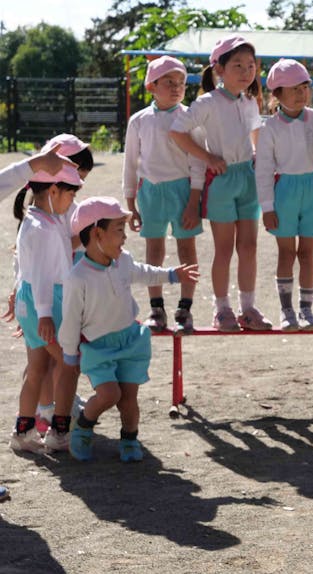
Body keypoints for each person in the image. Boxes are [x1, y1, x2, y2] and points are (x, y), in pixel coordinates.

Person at [61, 197, 199, 462]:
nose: (124, 237)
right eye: (118, 230)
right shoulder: (77, 277)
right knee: (109, 394)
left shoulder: (122, 261)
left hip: (130, 340)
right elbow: (70, 320)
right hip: (98, 347)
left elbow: (143, 272)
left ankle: (129, 437)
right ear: (96, 233)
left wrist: (171, 274)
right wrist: (69, 354)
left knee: (128, 399)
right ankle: (84, 426)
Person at [169, 34, 272, 332]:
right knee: (224, 249)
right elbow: (178, 132)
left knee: (250, 246)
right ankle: (222, 309)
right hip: (222, 182)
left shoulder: (250, 101)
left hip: (248, 179)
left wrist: (263, 163)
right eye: (237, 65)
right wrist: (209, 157)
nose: (245, 71)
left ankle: (248, 308)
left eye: (250, 65)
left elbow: (256, 135)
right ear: (219, 70)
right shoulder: (207, 102)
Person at [123, 56, 203, 336]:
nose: (176, 87)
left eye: (181, 82)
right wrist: (130, 201)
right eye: (168, 82)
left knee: (186, 249)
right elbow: (131, 162)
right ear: (151, 86)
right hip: (151, 191)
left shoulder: (189, 118)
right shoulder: (139, 121)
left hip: (182, 189)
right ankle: (156, 308)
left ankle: (185, 308)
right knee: (154, 250)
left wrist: (194, 200)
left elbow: (197, 161)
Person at [8, 160, 82, 453]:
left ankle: (23, 432)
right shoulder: (42, 226)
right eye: (71, 194)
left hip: (36, 303)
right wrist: (46, 314)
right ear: (54, 190)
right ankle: (59, 431)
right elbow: (39, 274)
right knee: (68, 364)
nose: (72, 201)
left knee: (37, 367)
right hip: (45, 304)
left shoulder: (42, 220)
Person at [255, 58, 313, 331]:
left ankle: (306, 309)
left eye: (305, 88)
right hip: (285, 191)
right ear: (277, 94)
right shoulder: (270, 127)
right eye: (293, 89)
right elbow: (263, 169)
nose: (301, 94)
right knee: (286, 253)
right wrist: (267, 206)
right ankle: (286, 310)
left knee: (308, 253)